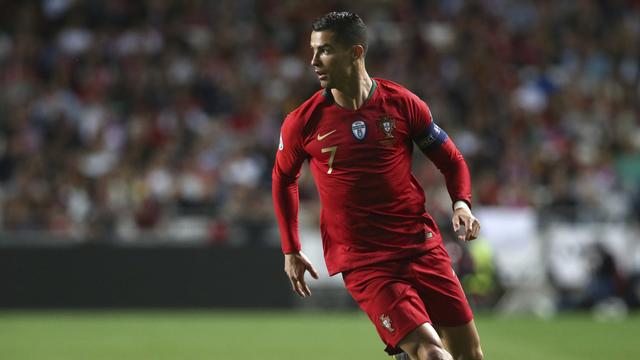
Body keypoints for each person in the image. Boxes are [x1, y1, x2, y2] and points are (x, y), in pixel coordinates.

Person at [272, 11, 483, 360]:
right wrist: (291, 248)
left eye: (324, 51)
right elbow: (283, 179)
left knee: (469, 354)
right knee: (431, 353)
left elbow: (452, 160)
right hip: (366, 262)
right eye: (312, 51)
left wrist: (461, 203)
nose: (313, 61)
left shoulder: (402, 104)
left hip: (421, 246)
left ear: (355, 53)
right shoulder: (303, 122)